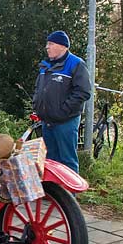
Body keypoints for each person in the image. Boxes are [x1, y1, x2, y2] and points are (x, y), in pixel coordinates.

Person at [33, 30, 91, 173]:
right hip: (47, 121)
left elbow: (83, 92)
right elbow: (39, 89)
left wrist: (63, 110)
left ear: (62, 46)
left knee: (67, 160)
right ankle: (55, 193)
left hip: (66, 122)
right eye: (47, 44)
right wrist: (37, 107)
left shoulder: (76, 64)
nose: (47, 47)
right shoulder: (46, 66)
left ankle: (70, 194)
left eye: (51, 44)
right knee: (51, 161)